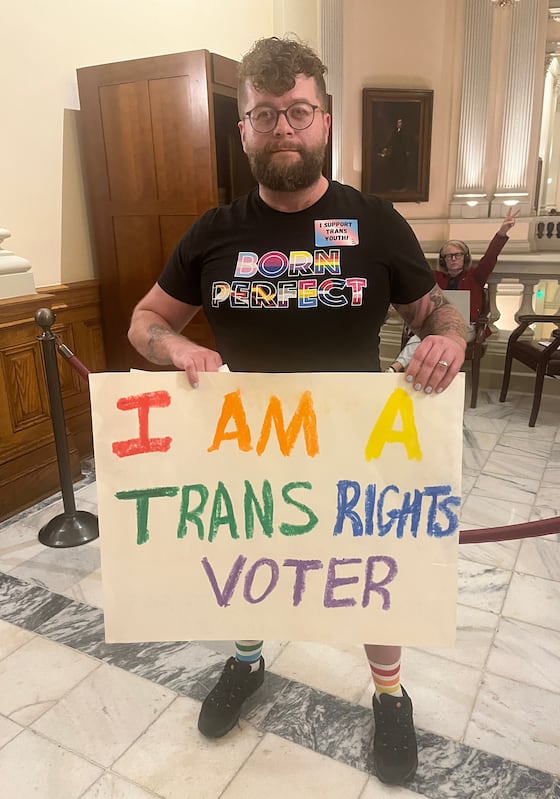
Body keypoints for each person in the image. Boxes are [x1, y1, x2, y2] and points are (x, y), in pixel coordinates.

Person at [127, 36, 467, 787]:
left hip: (357, 448)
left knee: (373, 572)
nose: (284, 128)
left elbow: (436, 312)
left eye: (298, 112)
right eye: (265, 115)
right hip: (247, 449)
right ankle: (247, 659)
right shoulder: (212, 234)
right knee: (254, 562)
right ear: (242, 130)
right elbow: (145, 320)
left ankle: (389, 692)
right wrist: (174, 349)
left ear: (325, 120)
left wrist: (447, 340)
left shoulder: (375, 223)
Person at [388, 207, 520, 372]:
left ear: (464, 257)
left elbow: (490, 258)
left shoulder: (475, 276)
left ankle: (431, 375)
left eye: (458, 255)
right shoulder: (435, 277)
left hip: (467, 327)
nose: (453, 259)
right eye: (449, 256)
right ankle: (395, 368)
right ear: (443, 261)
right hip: (438, 324)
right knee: (422, 336)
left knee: (436, 338)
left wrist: (502, 232)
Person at [378, 117, 416, 190]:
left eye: (400, 122)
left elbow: (407, 142)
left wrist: (407, 151)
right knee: (394, 169)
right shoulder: (395, 131)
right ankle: (395, 185)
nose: (399, 124)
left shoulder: (405, 132)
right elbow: (391, 140)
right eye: (398, 123)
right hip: (395, 153)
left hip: (402, 154)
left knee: (401, 169)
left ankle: (401, 186)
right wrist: (386, 147)